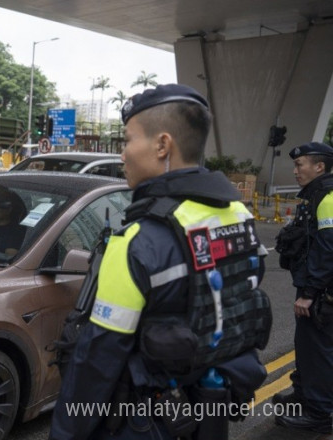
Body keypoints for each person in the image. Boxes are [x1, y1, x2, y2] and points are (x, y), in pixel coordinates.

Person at [50, 84, 270, 439]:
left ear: (162, 145)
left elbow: (96, 361)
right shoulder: (239, 216)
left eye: (127, 140)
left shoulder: (136, 242)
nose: (122, 154)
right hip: (213, 410)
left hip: (145, 423)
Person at [272, 141, 333, 433]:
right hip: (315, 287)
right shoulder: (315, 194)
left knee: (318, 350)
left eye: (300, 165)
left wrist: (309, 294)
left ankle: (319, 413)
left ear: (319, 167)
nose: (295, 170)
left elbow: (328, 249)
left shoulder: (327, 197)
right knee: (306, 346)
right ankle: (304, 395)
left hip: (321, 292)